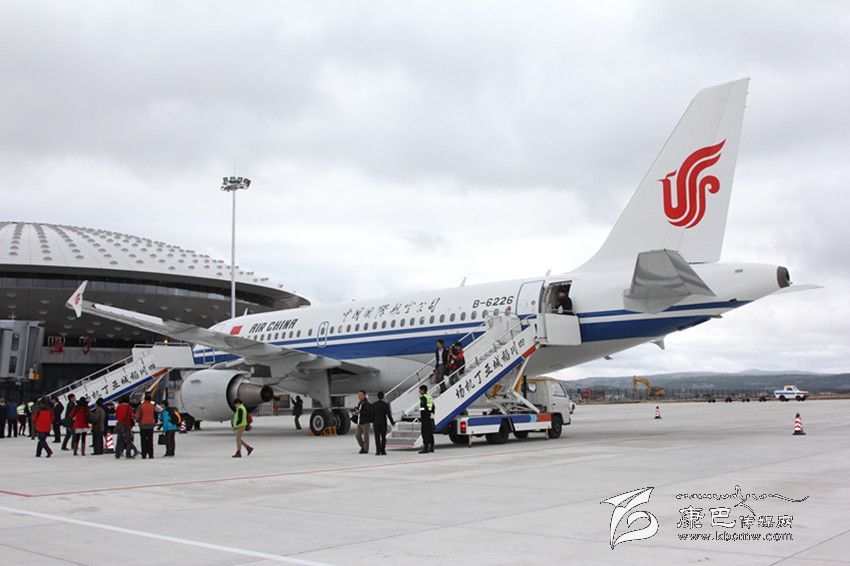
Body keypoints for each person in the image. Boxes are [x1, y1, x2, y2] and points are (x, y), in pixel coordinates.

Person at [371, 391, 395, 456]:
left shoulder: (374, 404)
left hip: (376, 422)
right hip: (383, 423)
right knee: (383, 437)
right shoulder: (386, 404)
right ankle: (383, 450)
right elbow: (388, 415)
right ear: (383, 396)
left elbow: (372, 414)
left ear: (377, 396)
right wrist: (392, 422)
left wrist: (372, 421)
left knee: (377, 437)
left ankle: (378, 451)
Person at [135, 393, 156, 459]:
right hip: (150, 425)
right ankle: (151, 454)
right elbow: (155, 414)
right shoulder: (152, 406)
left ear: (144, 399)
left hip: (143, 425)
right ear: (150, 400)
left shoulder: (141, 406)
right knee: (150, 440)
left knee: (143, 440)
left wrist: (138, 421)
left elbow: (137, 416)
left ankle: (144, 454)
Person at [354, 390, 373, 454]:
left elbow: (367, 412)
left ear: (364, 396)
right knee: (357, 436)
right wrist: (356, 410)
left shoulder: (366, 403)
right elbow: (360, 410)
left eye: (360, 395)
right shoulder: (360, 403)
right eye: (358, 395)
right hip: (360, 422)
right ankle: (363, 447)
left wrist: (359, 412)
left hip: (365, 422)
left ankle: (365, 449)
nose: (359, 396)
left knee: (366, 436)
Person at [418, 385, 435, 454]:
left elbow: (424, 408)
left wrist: (421, 411)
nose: (419, 391)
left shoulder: (423, 398)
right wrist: (431, 413)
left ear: (423, 390)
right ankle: (432, 447)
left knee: (424, 432)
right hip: (429, 417)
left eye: (420, 390)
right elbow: (433, 407)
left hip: (425, 417)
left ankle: (426, 448)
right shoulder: (429, 397)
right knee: (430, 432)